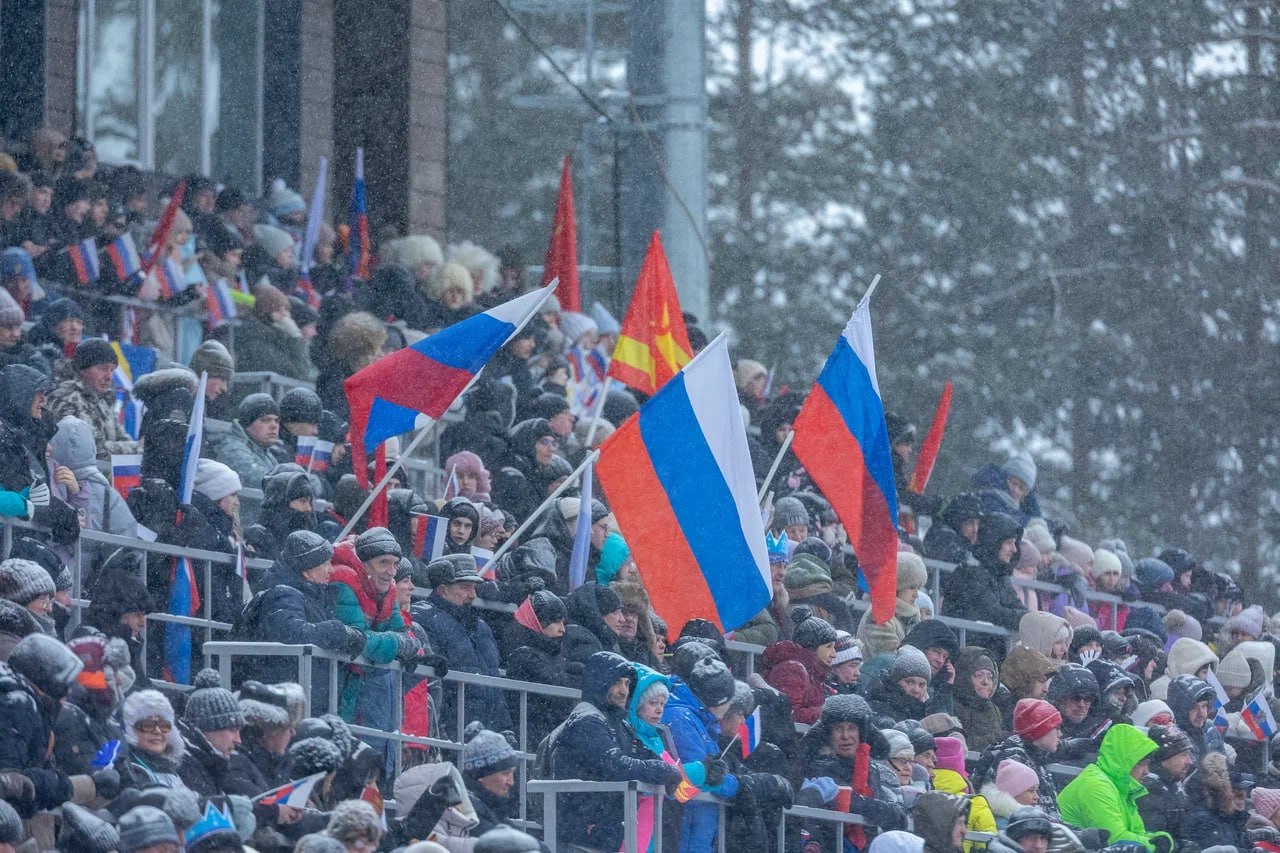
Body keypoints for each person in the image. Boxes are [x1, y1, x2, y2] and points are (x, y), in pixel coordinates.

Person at [544, 651, 684, 852]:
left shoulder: (617, 723)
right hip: (581, 833)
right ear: (600, 682)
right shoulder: (587, 720)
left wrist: (668, 770)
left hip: (602, 831)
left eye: (627, 684)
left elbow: (641, 754)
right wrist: (661, 771)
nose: (623, 691)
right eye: (617, 682)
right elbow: (615, 765)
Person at [411, 553, 510, 734]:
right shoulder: (423, 618)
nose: (473, 595)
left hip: (485, 732)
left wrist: (504, 729)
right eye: (465, 588)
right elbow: (434, 682)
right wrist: (443, 728)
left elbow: (493, 681)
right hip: (450, 730)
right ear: (442, 590)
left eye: (474, 588)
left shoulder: (481, 627)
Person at [1057, 723, 1171, 852]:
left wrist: (1162, 840)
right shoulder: (1096, 786)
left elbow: (1137, 832)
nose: (1147, 771)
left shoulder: (1121, 787)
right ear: (1125, 762)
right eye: (1142, 764)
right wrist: (1156, 846)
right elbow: (1114, 840)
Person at [941, 511, 1028, 659]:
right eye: (1009, 542)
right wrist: (1030, 620)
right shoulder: (969, 572)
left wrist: (1031, 619)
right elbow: (995, 614)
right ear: (993, 541)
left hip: (988, 656)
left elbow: (1017, 608)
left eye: (1015, 543)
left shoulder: (999, 575)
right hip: (967, 657)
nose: (1014, 549)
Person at [45, 338, 141, 458]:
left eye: (112, 370)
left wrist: (136, 447)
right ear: (83, 370)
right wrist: (136, 447)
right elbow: (88, 450)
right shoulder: (64, 399)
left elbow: (121, 436)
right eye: (103, 368)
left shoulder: (103, 399)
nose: (109, 376)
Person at [504, 590, 578, 745]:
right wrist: (575, 678)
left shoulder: (555, 656)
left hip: (548, 735)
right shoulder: (523, 656)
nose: (562, 629)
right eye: (556, 621)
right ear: (538, 622)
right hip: (533, 737)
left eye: (563, 622)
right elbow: (555, 692)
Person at [973, 698, 1065, 818]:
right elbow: (1021, 818)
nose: (1060, 734)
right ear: (1040, 730)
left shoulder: (1036, 757)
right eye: (1056, 728)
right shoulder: (1014, 758)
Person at [762, 606, 838, 724]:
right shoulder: (791, 669)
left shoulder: (814, 673)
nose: (834, 654)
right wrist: (828, 712)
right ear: (811, 647)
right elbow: (790, 714)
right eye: (829, 647)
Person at [856, 551, 926, 656]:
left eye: (918, 588)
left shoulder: (903, 617)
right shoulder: (880, 616)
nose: (916, 595)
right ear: (897, 586)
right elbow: (888, 660)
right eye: (912, 587)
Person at [208, 393, 282, 490]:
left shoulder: (267, 454)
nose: (274, 426)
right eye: (265, 420)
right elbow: (254, 478)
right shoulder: (232, 449)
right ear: (248, 424)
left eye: (276, 421)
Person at [460, 724, 521, 837]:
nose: (511, 782)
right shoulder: (470, 814)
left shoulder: (488, 809)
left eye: (512, 773)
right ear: (480, 775)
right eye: (505, 773)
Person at [1137, 725, 1196, 842]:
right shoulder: (1150, 790)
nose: (1189, 761)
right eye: (1184, 754)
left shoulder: (1173, 787)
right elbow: (1156, 842)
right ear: (1165, 757)